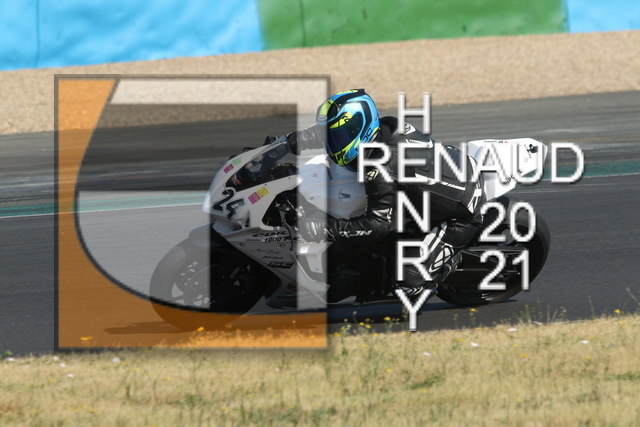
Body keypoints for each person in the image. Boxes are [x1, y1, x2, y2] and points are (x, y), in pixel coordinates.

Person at [266, 89, 485, 299]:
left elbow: (376, 225)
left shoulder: (382, 165)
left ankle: (446, 265)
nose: (333, 142)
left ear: (359, 129)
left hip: (462, 213)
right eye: (333, 136)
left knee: (408, 283)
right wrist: (280, 145)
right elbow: (321, 132)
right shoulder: (381, 129)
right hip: (447, 177)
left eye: (338, 137)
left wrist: (326, 227)